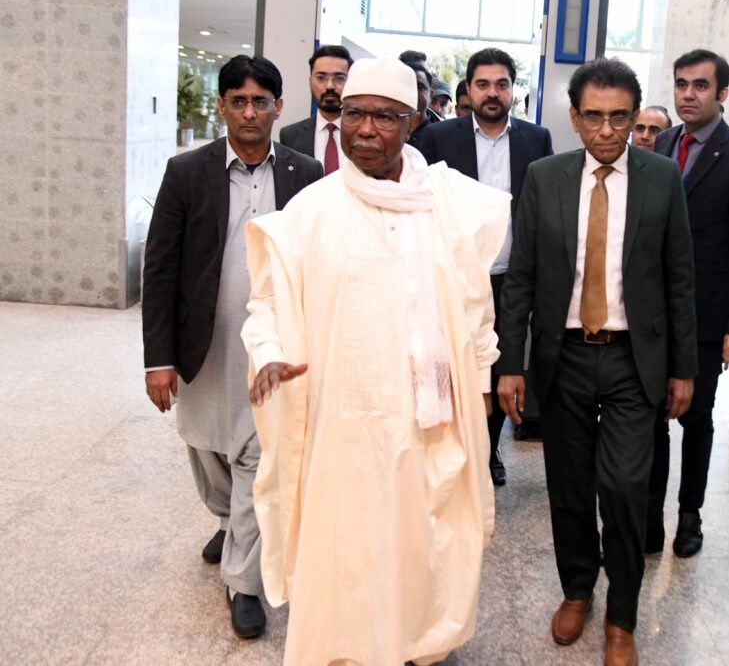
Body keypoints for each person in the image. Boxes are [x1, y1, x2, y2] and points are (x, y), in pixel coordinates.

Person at [241, 57, 510, 666]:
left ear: (413, 121)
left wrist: (482, 381)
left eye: (384, 116)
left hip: (426, 421)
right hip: (341, 425)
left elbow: (476, 313)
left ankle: (418, 643)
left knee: (422, 545)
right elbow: (265, 303)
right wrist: (270, 351)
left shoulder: (453, 204)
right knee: (346, 553)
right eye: (354, 112)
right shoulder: (312, 209)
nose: (364, 128)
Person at [497, 58, 698, 666]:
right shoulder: (544, 176)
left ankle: (623, 617)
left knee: (626, 487)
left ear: (636, 118)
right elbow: (522, 278)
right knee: (569, 486)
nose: (607, 130)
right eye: (594, 117)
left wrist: (683, 368)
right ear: (574, 117)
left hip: (635, 359)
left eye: (619, 117)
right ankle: (578, 590)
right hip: (565, 358)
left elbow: (680, 278)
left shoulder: (662, 178)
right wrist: (511, 363)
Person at [142, 55, 323, 639]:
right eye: (238, 101)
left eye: (261, 101)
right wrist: (159, 359)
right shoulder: (186, 172)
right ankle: (229, 518)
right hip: (205, 343)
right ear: (221, 106)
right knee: (207, 448)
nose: (250, 112)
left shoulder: (306, 173)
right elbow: (161, 268)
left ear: (279, 107)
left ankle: (243, 582)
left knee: (258, 454)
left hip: (273, 345)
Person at [649, 49, 729, 558]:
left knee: (695, 418)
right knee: (651, 417)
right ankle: (648, 518)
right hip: (654, 314)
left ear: (722, 93)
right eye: (681, 85)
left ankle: (689, 515)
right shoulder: (662, 143)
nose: (688, 95)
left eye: (700, 86)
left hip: (705, 317)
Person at [420, 47, 554, 486]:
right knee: (453, 367)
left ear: (513, 89)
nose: (492, 93)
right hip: (454, 280)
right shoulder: (439, 139)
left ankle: (489, 449)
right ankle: (451, 452)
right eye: (483, 84)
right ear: (469, 89)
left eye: (501, 84)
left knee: (501, 369)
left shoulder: (537, 140)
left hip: (511, 279)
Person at [279, 45, 353, 173]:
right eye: (321, 78)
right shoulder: (290, 135)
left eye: (340, 78)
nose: (330, 86)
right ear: (310, 81)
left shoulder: (364, 133)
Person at [404, 61, 434, 152]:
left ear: (431, 95)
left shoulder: (441, 135)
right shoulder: (385, 129)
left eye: (420, 87)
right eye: (407, 86)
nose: (413, 92)